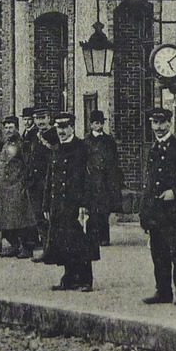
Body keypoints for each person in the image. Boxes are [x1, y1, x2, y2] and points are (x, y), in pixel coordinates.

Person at [140, 107, 176, 306]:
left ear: (169, 123)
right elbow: (149, 183)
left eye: (162, 122)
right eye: (154, 123)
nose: (158, 127)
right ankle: (163, 291)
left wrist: (175, 191)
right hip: (156, 210)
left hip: (173, 211)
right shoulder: (153, 149)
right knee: (158, 252)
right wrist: (145, 211)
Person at [43, 111, 99, 291]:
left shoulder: (83, 148)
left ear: (72, 127)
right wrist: (46, 204)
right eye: (59, 127)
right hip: (59, 203)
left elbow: (90, 178)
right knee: (63, 240)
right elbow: (50, 179)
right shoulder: (56, 150)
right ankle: (68, 277)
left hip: (77, 204)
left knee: (81, 241)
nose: (61, 131)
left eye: (65, 127)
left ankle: (85, 279)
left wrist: (86, 204)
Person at [0, 114, 38, 258]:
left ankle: (26, 247)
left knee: (21, 218)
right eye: (6, 128)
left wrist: (23, 182)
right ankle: (14, 245)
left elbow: (27, 164)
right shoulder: (4, 144)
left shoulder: (22, 144)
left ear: (17, 128)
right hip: (5, 187)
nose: (8, 130)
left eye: (11, 127)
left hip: (17, 186)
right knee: (6, 218)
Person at [86, 112, 124, 247]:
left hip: (106, 179)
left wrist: (114, 178)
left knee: (104, 210)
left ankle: (103, 237)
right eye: (96, 123)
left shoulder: (109, 140)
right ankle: (91, 237)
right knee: (92, 210)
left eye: (101, 123)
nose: (99, 126)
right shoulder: (86, 141)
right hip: (92, 179)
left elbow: (114, 160)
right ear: (91, 125)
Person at [22, 109, 56, 259]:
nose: (40, 121)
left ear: (49, 118)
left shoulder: (54, 135)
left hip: (47, 182)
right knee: (39, 218)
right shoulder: (34, 135)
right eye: (37, 118)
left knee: (50, 217)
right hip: (34, 182)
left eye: (43, 118)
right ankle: (46, 250)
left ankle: (51, 250)